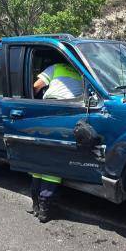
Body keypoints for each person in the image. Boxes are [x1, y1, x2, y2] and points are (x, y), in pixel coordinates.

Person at [27, 62, 84, 222]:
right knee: (53, 160)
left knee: (39, 158)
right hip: (69, 113)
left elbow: (36, 86)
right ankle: (45, 208)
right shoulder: (82, 69)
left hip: (49, 108)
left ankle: (36, 204)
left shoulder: (56, 67)